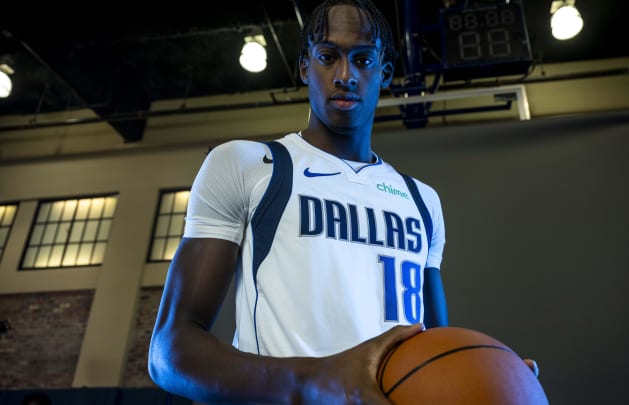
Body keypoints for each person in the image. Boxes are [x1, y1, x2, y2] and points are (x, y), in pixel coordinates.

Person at [148, 1, 535, 403]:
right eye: (328, 57)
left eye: (363, 59)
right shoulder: (247, 165)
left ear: (384, 72)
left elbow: (435, 348)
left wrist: (489, 375)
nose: (345, 75)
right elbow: (169, 352)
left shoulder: (423, 202)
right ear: (304, 67)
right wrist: (317, 381)